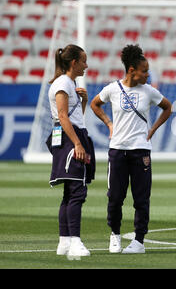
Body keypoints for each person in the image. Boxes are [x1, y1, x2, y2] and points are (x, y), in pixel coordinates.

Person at [90, 44, 172, 254]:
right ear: (132, 70)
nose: (148, 74)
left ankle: (139, 241)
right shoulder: (112, 89)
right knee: (115, 197)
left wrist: (152, 129)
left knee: (141, 198)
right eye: (144, 71)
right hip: (117, 150)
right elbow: (95, 104)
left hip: (141, 151)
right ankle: (115, 235)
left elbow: (167, 107)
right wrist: (109, 123)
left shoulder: (149, 91)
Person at [46, 44, 95, 257]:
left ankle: (64, 242)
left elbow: (74, 117)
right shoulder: (63, 83)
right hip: (69, 138)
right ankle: (75, 242)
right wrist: (77, 144)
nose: (86, 65)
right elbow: (63, 116)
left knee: (70, 192)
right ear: (73, 62)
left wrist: (83, 101)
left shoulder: (68, 83)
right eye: (83, 61)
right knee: (77, 191)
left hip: (68, 135)